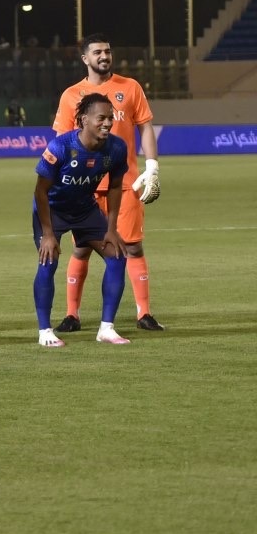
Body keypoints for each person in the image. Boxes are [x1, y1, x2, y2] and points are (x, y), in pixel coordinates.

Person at [51, 34, 164, 333]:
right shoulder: (71, 95)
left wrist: (151, 166)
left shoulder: (130, 87)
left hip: (124, 183)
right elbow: (60, 139)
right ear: (85, 59)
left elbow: (145, 127)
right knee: (81, 250)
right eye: (97, 52)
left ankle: (144, 313)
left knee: (133, 246)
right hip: (83, 186)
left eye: (108, 51)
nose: (104, 55)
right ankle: (72, 315)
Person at [33, 93, 131, 347]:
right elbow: (40, 191)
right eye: (101, 118)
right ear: (84, 120)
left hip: (85, 209)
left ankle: (106, 329)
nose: (108, 123)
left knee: (118, 256)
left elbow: (116, 187)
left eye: (110, 117)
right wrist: (48, 233)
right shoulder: (60, 147)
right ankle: (45, 331)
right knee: (49, 259)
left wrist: (111, 229)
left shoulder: (117, 148)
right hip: (52, 211)